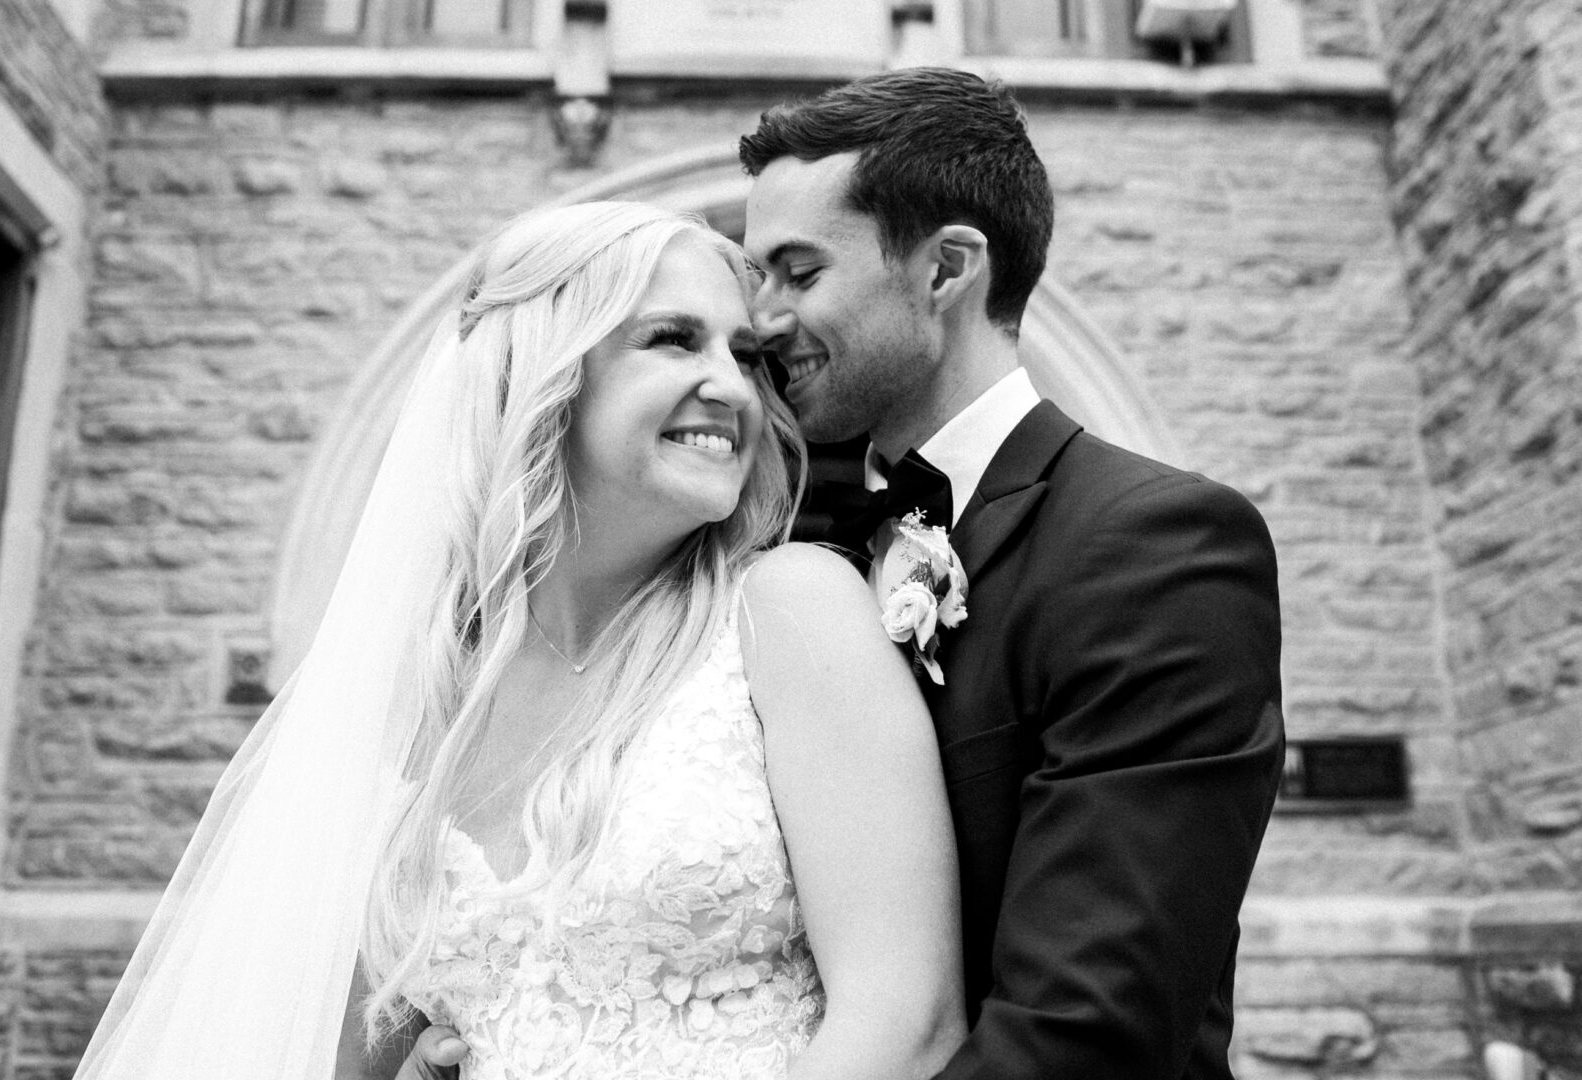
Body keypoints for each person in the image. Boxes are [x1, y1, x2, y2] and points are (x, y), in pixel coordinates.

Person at [73, 202, 966, 1080]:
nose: (734, 387)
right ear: (546, 374)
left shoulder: (790, 613)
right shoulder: (421, 693)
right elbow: (334, 1046)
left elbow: (906, 1022)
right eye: (672, 340)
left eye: (743, 355)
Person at [735, 68, 1284, 1079]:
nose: (756, 323)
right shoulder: (811, 566)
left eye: (797, 273)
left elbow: (1089, 1035)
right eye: (753, 277)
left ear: (947, 268)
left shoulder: (1157, 547)